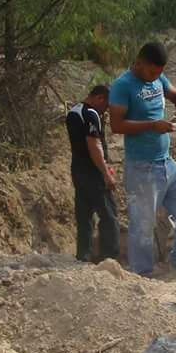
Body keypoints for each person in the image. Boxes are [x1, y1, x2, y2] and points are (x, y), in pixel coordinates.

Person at [107, 41, 176, 277]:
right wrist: (153, 125)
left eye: (160, 73)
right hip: (142, 167)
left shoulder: (157, 79)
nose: (156, 77)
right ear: (139, 63)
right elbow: (116, 125)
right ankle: (141, 275)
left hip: (166, 163)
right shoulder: (123, 86)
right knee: (142, 226)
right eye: (152, 72)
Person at [66, 84, 119, 263]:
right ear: (100, 98)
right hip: (93, 172)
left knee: (84, 216)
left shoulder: (74, 111)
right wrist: (106, 173)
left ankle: (84, 256)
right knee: (109, 215)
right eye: (106, 106)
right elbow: (94, 145)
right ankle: (109, 260)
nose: (106, 111)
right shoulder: (91, 114)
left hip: (78, 170)